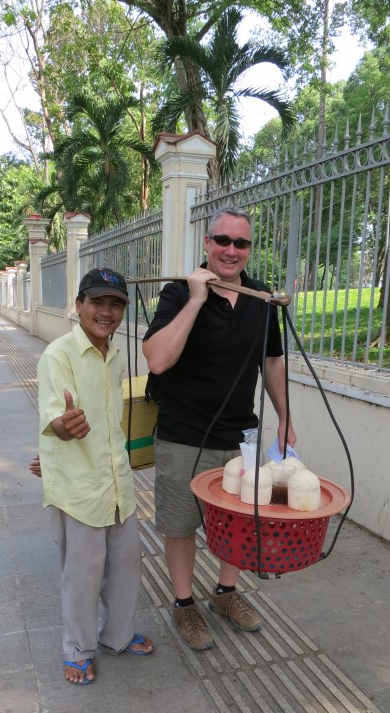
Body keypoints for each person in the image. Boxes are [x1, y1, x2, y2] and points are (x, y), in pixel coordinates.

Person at [142, 206, 297, 651]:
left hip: (240, 435)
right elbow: (157, 359)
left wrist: (286, 418)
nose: (231, 251)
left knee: (240, 523)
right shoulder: (177, 292)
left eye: (241, 243)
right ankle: (184, 602)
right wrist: (195, 299)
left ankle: (226, 594)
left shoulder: (261, 299)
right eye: (222, 241)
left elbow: (272, 361)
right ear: (207, 244)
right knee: (181, 524)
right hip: (182, 434)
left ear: (249, 249)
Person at [37, 268, 154, 686]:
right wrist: (64, 427)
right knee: (83, 574)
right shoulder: (59, 355)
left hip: (117, 483)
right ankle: (78, 648)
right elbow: (56, 415)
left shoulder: (115, 354)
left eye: (115, 304)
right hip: (79, 488)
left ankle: (117, 636)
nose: (106, 312)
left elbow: (110, 422)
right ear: (79, 305)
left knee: (125, 566)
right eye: (98, 302)